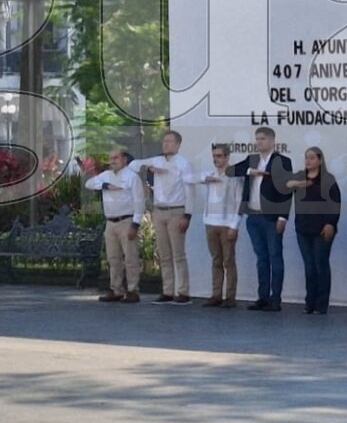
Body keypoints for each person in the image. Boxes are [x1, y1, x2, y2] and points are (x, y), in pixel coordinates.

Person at [226, 127, 295, 312]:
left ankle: (275, 298)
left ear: (272, 141)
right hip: (254, 216)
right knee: (261, 258)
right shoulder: (252, 159)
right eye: (257, 139)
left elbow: (286, 191)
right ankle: (263, 297)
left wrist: (283, 217)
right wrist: (251, 171)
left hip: (271, 217)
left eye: (263, 138)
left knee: (275, 257)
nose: (259, 142)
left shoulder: (282, 161)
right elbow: (230, 171)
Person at [131, 130, 194, 305]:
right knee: (164, 254)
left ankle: (183, 292)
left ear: (178, 145)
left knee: (178, 253)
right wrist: (147, 168)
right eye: (164, 141)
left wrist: (187, 215)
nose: (166, 144)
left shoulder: (183, 164)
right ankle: (167, 291)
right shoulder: (157, 160)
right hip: (159, 211)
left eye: (170, 141)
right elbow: (134, 164)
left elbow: (190, 190)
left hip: (176, 210)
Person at [83, 148, 145, 304]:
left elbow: (139, 201)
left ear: (124, 159)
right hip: (110, 222)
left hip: (126, 221)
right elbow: (89, 183)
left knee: (130, 257)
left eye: (116, 158)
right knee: (113, 258)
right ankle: (116, 289)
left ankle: (133, 290)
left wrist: (135, 224)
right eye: (111, 158)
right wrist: (105, 185)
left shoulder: (132, 177)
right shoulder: (106, 175)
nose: (113, 161)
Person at [287, 147, 342, 315]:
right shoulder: (299, 176)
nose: (308, 160)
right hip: (303, 228)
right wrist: (297, 184)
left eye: (311, 158)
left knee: (320, 265)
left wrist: (330, 223)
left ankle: (321, 304)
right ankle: (309, 302)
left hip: (322, 228)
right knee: (309, 267)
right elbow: (285, 184)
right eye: (306, 157)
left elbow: (335, 203)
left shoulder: (328, 179)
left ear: (320, 160)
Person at [196, 144, 241, 308]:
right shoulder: (209, 174)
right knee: (216, 260)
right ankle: (216, 295)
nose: (216, 159)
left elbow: (239, 202)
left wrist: (234, 225)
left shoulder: (235, 176)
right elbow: (188, 178)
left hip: (227, 224)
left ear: (227, 157)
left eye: (219, 156)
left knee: (228, 261)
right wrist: (204, 179)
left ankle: (230, 296)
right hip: (210, 223)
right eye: (214, 156)